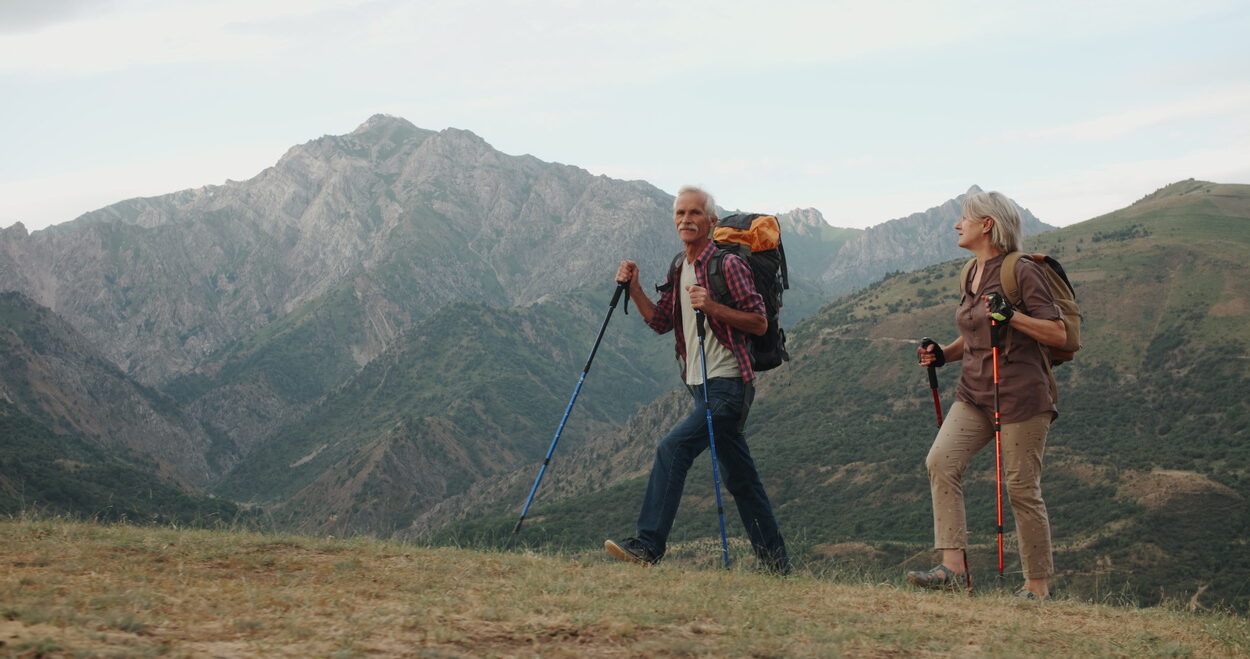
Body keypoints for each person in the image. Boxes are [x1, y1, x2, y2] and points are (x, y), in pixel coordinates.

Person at [604, 185, 790, 573]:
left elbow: (758, 322)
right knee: (742, 481)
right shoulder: (679, 265)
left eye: (695, 213)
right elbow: (659, 321)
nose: (686, 220)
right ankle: (777, 566)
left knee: (672, 450)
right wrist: (634, 286)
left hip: (729, 385)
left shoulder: (728, 265)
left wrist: (713, 306)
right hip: (699, 386)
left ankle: (648, 545)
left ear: (711, 222)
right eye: (680, 214)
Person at [909, 190, 1067, 599]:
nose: (957, 225)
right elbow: (976, 332)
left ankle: (1037, 588)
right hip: (975, 391)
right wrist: (944, 354)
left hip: (1021, 395)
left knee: (1020, 488)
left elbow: (1057, 332)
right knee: (941, 461)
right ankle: (952, 569)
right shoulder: (969, 273)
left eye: (964, 218)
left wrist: (1012, 315)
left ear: (987, 225)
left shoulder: (1021, 271)